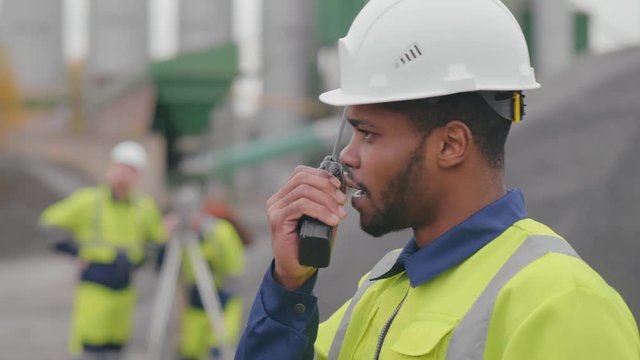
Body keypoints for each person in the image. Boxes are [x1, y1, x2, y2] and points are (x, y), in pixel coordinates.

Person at [235, 0, 640, 359]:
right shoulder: (379, 294)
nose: (346, 155)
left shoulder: (563, 304)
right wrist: (290, 286)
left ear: (450, 145)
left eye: (369, 134)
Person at [40, 141, 167, 360]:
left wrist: (149, 257)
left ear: (138, 175)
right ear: (110, 168)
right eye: (121, 167)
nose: (123, 175)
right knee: (92, 349)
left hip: (125, 291)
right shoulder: (88, 201)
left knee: (115, 350)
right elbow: (48, 223)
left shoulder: (144, 207)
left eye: (131, 170)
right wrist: (73, 251)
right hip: (94, 290)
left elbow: (157, 241)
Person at [177, 211, 245, 360]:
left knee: (220, 350)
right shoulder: (183, 235)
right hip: (196, 300)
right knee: (190, 351)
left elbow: (231, 267)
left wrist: (204, 233)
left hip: (224, 300)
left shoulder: (220, 231)